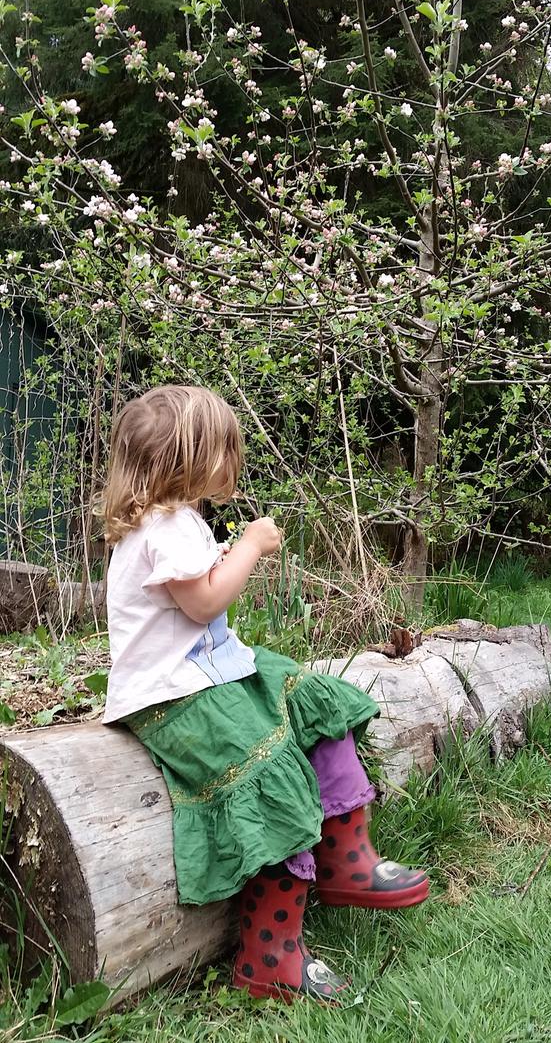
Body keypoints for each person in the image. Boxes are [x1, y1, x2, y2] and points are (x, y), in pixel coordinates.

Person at [99, 385, 429, 1005]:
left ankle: (345, 859)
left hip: (208, 677)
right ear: (189, 457)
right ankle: (268, 956)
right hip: (173, 698)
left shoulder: (173, 522)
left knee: (313, 698)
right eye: (226, 449)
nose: (234, 461)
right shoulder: (166, 524)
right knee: (271, 775)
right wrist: (248, 547)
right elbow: (202, 604)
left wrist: (224, 551)